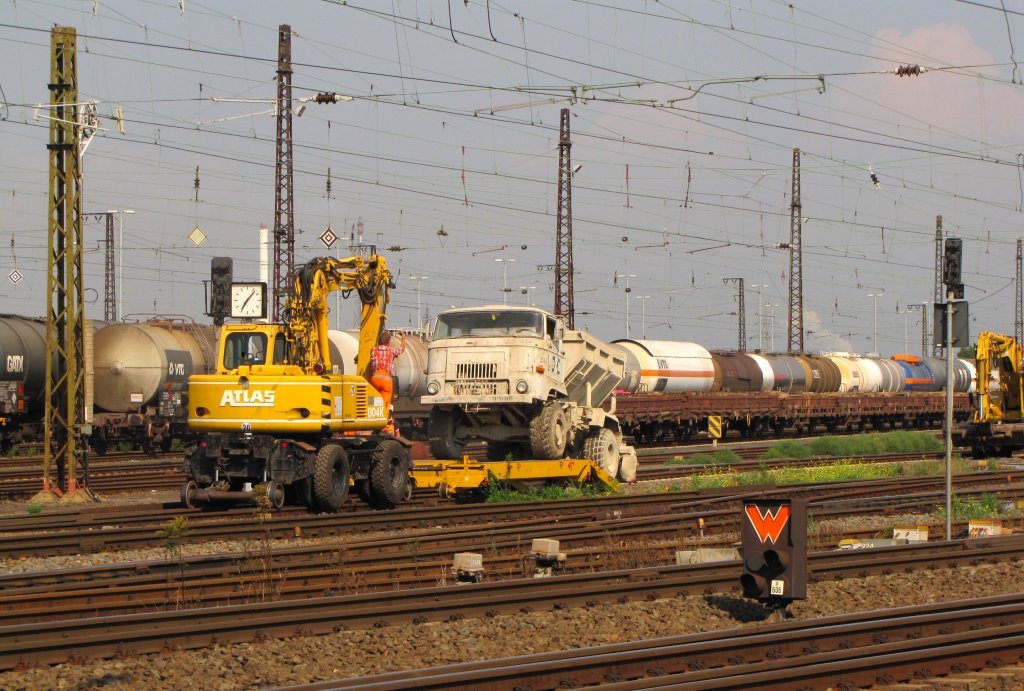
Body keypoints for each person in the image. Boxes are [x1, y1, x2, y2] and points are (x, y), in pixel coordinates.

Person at [369, 331, 406, 435]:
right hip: (386, 379)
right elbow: (402, 349)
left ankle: (373, 423)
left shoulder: (373, 350)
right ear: (388, 342)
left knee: (374, 403)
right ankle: (385, 427)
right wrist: (403, 337)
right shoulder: (391, 351)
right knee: (386, 404)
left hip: (375, 379)